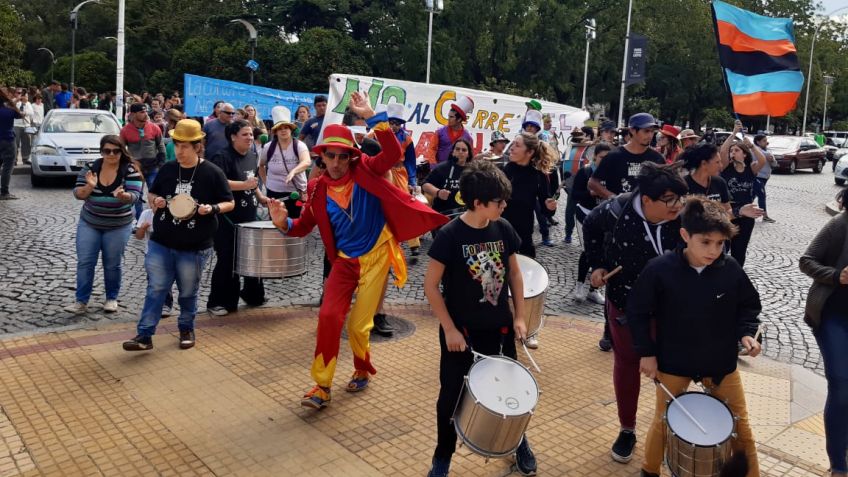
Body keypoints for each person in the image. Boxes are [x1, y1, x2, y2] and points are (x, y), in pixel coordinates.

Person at [268, 92, 448, 409]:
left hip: (376, 258)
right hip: (344, 264)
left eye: (341, 156)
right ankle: (321, 386)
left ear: (350, 155)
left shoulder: (366, 170)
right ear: (321, 157)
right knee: (327, 316)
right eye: (330, 156)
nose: (335, 163)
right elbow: (303, 226)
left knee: (357, 325)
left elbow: (392, 152)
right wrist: (284, 223)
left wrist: (370, 115)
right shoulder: (318, 189)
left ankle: (362, 368)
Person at [629, 196, 762, 477]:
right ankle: (649, 470)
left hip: (721, 363)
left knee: (741, 427)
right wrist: (647, 353)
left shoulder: (731, 269)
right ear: (685, 235)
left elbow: (748, 306)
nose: (714, 250)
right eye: (706, 242)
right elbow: (638, 312)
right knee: (663, 422)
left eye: (720, 243)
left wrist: (747, 333)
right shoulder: (659, 269)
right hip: (673, 361)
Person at [423, 160, 537, 477]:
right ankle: (442, 456)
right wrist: (449, 330)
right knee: (450, 398)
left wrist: (520, 318)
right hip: (461, 333)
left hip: (498, 330)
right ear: (477, 203)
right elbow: (431, 286)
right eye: (498, 201)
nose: (504, 205)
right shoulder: (449, 235)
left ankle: (517, 442)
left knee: (510, 392)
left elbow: (514, 273)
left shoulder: (504, 228)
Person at [582, 162, 688, 465]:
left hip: (671, 307)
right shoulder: (616, 210)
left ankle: (670, 430)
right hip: (624, 303)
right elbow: (590, 226)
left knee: (672, 369)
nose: (677, 206)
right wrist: (598, 265)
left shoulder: (685, 215)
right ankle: (627, 429)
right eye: (669, 200)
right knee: (627, 364)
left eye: (680, 198)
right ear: (646, 200)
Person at [122, 119, 234, 351]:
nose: (179, 150)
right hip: (162, 241)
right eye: (177, 144)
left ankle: (186, 328)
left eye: (184, 146)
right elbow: (152, 194)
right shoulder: (169, 169)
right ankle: (144, 335)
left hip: (194, 245)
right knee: (156, 289)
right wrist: (157, 202)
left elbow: (229, 203)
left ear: (197, 146)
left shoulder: (212, 172)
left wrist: (212, 209)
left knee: (188, 291)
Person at [799, 188, 848, 477]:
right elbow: (807, 260)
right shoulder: (840, 224)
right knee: (842, 384)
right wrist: (836, 275)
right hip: (834, 314)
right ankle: (839, 465)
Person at [65, 135, 143, 314]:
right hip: (90, 222)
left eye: (116, 151)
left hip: (118, 224)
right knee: (85, 262)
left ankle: (111, 298)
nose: (111, 154)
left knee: (112, 263)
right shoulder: (91, 168)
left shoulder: (130, 170)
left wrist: (124, 197)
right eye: (107, 150)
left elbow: (136, 196)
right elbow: (78, 194)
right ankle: (81, 301)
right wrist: (90, 187)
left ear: (122, 151)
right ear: (101, 151)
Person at [206, 119, 268, 316]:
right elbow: (218, 182)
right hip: (227, 219)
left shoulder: (252, 154)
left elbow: (254, 181)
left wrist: (261, 197)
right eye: (245, 134)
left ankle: (252, 294)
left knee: (251, 257)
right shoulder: (221, 156)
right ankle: (218, 302)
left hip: (249, 216)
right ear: (233, 137)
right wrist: (244, 186)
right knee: (228, 260)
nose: (250, 138)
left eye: (251, 134)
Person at [502, 132, 558, 259]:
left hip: (524, 233)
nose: (511, 148)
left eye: (517, 145)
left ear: (529, 152)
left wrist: (550, 207)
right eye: (512, 144)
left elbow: (546, 209)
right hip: (501, 228)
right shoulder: (507, 169)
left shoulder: (538, 175)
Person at [719, 120, 766, 267]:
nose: (733, 153)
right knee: (722, 247)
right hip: (728, 211)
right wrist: (733, 133)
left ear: (745, 154)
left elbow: (762, 160)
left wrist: (751, 145)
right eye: (732, 151)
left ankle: (736, 275)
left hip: (746, 214)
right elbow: (722, 152)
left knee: (739, 250)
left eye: (737, 151)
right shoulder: (727, 167)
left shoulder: (750, 169)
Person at [588, 112, 665, 200]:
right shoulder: (614, 156)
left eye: (652, 131)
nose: (650, 135)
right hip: (618, 212)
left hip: (647, 212)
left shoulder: (657, 158)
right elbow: (593, 182)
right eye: (646, 131)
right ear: (632, 130)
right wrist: (614, 198)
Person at [571, 143, 610, 307]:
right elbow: (574, 194)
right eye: (602, 157)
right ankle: (580, 285)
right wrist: (590, 192)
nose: (605, 161)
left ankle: (594, 290)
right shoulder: (585, 171)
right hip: (585, 214)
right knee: (588, 249)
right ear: (595, 157)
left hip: (605, 217)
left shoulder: (611, 173)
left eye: (608, 158)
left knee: (602, 251)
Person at [259, 106, 310, 218]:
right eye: (280, 128)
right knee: (275, 223)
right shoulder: (268, 147)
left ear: (291, 130)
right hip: (274, 192)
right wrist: (266, 183)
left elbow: (306, 162)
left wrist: (293, 172)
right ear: (275, 132)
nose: (283, 130)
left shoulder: (299, 145)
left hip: (296, 192)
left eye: (286, 127)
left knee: (295, 223)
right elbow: (261, 165)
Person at [121, 102, 165, 220]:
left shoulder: (154, 127)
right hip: (135, 169)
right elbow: (121, 150)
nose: (145, 114)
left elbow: (161, 147)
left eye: (146, 111)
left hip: (153, 167)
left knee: (155, 194)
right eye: (142, 112)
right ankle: (140, 220)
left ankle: (156, 219)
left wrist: (161, 165)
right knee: (136, 196)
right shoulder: (125, 130)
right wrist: (127, 165)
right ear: (133, 114)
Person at [422, 139, 474, 215]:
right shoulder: (442, 168)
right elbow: (425, 185)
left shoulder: (473, 170)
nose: (460, 152)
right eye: (457, 149)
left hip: (466, 214)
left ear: (468, 154)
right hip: (444, 213)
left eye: (464, 150)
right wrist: (438, 192)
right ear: (452, 152)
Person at [681, 143, 731, 211]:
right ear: (704, 163)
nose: (721, 166)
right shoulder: (683, 185)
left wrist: (739, 212)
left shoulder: (720, 182)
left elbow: (727, 210)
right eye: (717, 162)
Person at [429, 96, 474, 164]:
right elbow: (431, 149)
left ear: (459, 119)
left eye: (451, 117)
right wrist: (433, 166)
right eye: (448, 116)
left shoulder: (467, 137)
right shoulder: (439, 132)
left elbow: (470, 156)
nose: (448, 119)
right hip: (440, 169)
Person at [0, 88, 22, 200]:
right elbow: (20, 115)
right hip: (8, 140)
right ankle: (4, 192)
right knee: (7, 167)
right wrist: (13, 102)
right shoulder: (9, 111)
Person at [752, 133, 778, 223]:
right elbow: (763, 155)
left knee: (751, 195)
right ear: (758, 142)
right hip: (757, 176)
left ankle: (743, 211)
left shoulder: (768, 150)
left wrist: (773, 160)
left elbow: (774, 164)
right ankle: (765, 216)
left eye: (766, 140)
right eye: (764, 141)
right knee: (761, 195)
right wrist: (769, 157)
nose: (766, 142)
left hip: (765, 177)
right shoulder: (755, 150)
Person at [13, 92, 33, 165]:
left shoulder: (28, 104)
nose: (26, 98)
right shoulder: (16, 102)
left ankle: (26, 158)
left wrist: (24, 112)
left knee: (26, 143)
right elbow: (13, 109)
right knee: (15, 143)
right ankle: (14, 159)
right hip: (16, 125)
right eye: (24, 96)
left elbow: (31, 113)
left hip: (26, 125)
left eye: (27, 97)